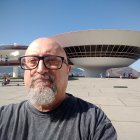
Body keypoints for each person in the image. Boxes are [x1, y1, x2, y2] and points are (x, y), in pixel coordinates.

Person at [0, 38, 117, 140]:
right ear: (24, 68)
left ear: (68, 70)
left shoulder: (94, 121)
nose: (40, 69)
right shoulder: (3, 117)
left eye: (51, 60)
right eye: (32, 61)